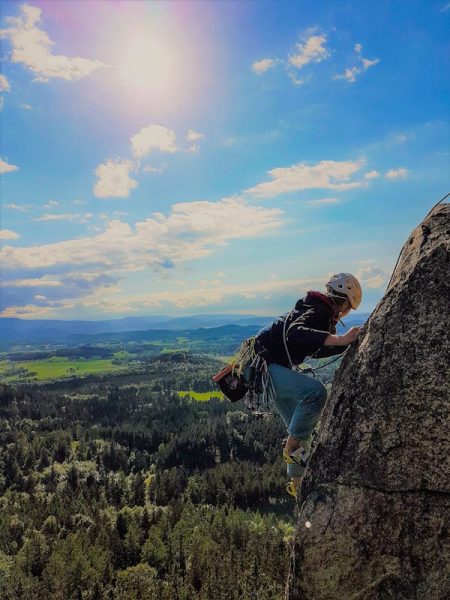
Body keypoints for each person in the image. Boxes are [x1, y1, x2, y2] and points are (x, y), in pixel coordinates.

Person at [239, 273, 363, 497]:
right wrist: (342, 339)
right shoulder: (319, 311)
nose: (345, 313)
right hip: (263, 367)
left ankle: (298, 486)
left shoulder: (315, 309)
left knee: (301, 429)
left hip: (262, 367)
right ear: (344, 303)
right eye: (348, 308)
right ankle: (290, 448)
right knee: (315, 394)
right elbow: (297, 334)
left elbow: (316, 348)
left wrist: (345, 344)